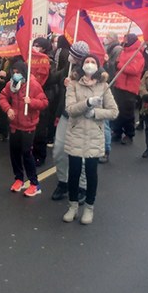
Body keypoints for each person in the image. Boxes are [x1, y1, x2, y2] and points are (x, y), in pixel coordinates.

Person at [62, 54, 118, 225]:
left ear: (98, 66)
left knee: (92, 173)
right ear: (82, 65)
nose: (89, 65)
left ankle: (89, 207)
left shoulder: (104, 86)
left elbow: (113, 111)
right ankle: (72, 206)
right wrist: (87, 103)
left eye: (93, 62)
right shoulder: (73, 85)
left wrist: (96, 113)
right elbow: (70, 109)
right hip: (76, 134)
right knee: (74, 172)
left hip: (94, 135)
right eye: (87, 62)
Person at [0, 61, 48, 196]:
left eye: (18, 72)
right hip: (15, 125)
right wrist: (8, 109)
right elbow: (2, 97)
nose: (15, 75)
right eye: (13, 72)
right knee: (14, 153)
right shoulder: (10, 85)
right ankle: (19, 179)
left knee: (26, 153)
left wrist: (31, 102)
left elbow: (44, 102)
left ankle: (34, 183)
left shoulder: (33, 85)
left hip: (28, 126)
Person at [51, 41, 90, 201]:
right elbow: (52, 78)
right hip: (66, 116)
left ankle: (82, 186)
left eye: (73, 55)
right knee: (59, 150)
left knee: (80, 155)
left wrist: (73, 86)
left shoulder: (92, 73)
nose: (70, 57)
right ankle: (63, 182)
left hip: (82, 119)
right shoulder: (68, 69)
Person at [110, 33, 144, 145]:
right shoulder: (123, 51)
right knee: (117, 110)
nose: (124, 41)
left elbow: (134, 70)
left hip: (129, 88)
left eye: (126, 39)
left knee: (127, 112)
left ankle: (129, 134)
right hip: (119, 85)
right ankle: (117, 131)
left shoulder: (137, 54)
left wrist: (119, 65)